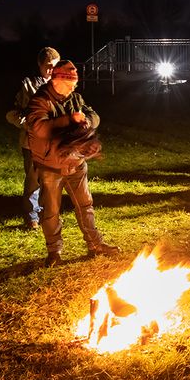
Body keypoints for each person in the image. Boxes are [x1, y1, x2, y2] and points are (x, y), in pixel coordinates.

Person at [26, 59, 119, 267]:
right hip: (50, 166)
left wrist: (86, 120)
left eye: (74, 84)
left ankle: (95, 244)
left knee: (85, 205)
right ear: (57, 80)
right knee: (50, 211)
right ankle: (54, 252)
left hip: (76, 162)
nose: (73, 88)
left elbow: (94, 115)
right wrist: (68, 120)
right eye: (70, 84)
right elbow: (39, 128)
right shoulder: (40, 100)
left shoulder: (75, 98)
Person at [6, 46, 60, 229]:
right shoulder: (28, 85)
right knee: (33, 179)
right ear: (40, 64)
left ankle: (49, 214)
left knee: (51, 180)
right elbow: (12, 112)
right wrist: (28, 124)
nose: (51, 70)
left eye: (54, 66)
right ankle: (32, 216)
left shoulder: (61, 84)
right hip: (31, 142)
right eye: (48, 66)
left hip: (53, 144)